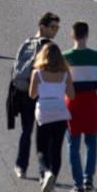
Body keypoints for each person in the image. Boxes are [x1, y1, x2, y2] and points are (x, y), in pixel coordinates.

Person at [9, 14, 61, 179]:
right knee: (44, 136)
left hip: (24, 93)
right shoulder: (50, 48)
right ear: (42, 27)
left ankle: (21, 166)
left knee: (26, 131)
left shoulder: (26, 44)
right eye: (53, 27)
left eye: (57, 28)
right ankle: (44, 171)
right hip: (43, 96)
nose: (55, 31)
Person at [65, 23, 97, 192]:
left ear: (72, 35)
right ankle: (88, 180)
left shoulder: (64, 57)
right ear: (87, 35)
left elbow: (61, 85)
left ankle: (77, 185)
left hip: (72, 103)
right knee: (91, 143)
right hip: (91, 102)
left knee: (73, 145)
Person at [28, 42, 75, 192]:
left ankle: (46, 172)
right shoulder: (65, 74)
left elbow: (32, 95)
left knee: (41, 149)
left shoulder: (38, 73)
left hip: (44, 112)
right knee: (56, 150)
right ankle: (52, 183)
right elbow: (71, 95)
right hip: (60, 112)